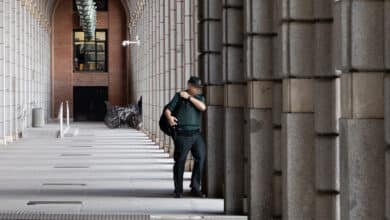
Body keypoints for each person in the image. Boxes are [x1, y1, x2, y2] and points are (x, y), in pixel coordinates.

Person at [164, 76, 207, 198]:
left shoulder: (199, 98)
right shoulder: (178, 96)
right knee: (180, 161)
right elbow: (167, 110)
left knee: (201, 157)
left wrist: (189, 97)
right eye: (195, 87)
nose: (197, 90)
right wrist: (170, 118)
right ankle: (178, 190)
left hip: (196, 134)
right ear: (189, 85)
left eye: (199, 88)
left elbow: (203, 108)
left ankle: (195, 187)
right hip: (182, 134)